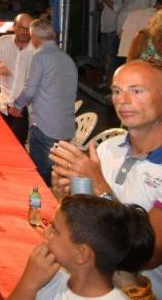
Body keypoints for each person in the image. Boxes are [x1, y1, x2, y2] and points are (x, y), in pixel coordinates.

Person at [50, 59, 162, 293]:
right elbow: (85, 224)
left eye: (137, 91)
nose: (123, 100)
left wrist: (100, 187)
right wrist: (69, 193)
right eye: (117, 91)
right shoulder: (107, 148)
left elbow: (148, 256)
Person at [8, 195, 153, 300]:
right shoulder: (49, 277)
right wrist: (29, 284)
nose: (46, 232)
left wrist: (29, 284)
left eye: (54, 230)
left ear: (80, 254)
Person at [8, 18, 78, 184]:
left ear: (34, 38)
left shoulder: (39, 58)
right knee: (58, 178)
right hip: (66, 128)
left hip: (45, 127)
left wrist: (17, 105)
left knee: (41, 180)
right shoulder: (67, 59)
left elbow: (29, 90)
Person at [0, 13, 37, 145]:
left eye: (28, 29)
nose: (25, 32)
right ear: (14, 27)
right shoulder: (4, 42)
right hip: (4, 105)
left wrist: (20, 104)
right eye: (21, 28)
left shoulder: (37, 49)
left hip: (24, 109)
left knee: (17, 147)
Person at [96, 0, 129, 82]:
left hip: (113, 29)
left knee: (111, 58)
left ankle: (113, 83)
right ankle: (108, 81)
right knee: (105, 57)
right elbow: (103, 7)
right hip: (105, 28)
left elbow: (116, 8)